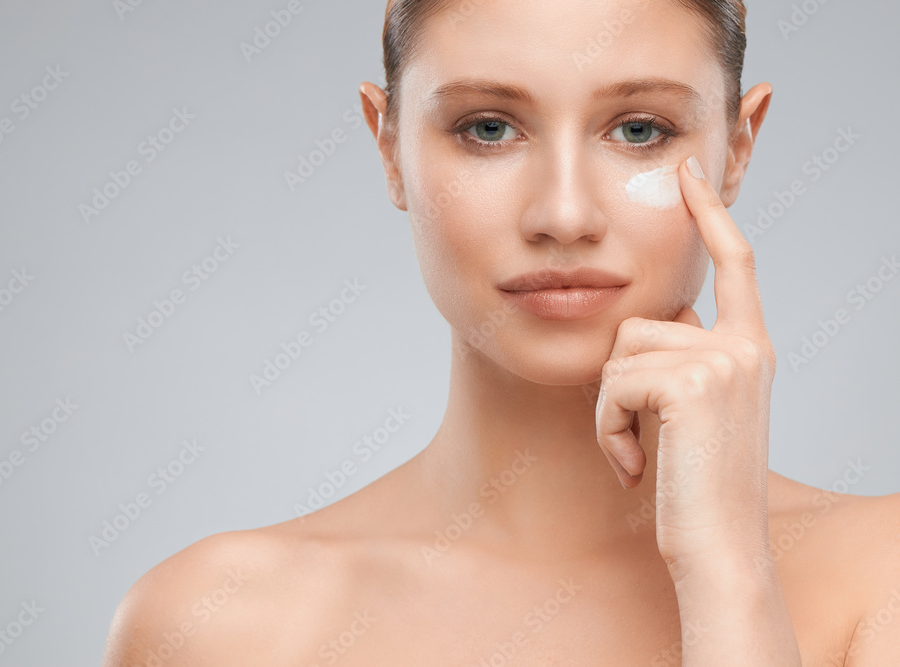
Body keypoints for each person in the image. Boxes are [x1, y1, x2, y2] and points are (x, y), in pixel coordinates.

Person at [102, 1, 900, 664]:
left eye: (638, 130)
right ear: (388, 148)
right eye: (488, 128)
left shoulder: (882, 575)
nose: (563, 214)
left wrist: (728, 571)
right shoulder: (216, 624)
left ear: (737, 146)